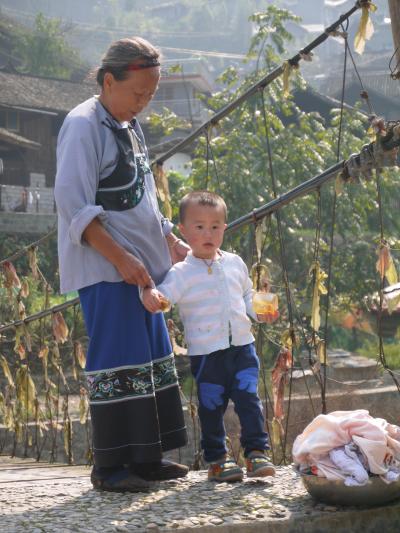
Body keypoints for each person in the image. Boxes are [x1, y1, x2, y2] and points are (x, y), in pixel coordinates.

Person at [54, 37, 189, 492]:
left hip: (141, 270)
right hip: (108, 270)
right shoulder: (83, 125)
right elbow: (74, 206)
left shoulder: (128, 126)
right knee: (117, 362)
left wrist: (168, 237)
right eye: (138, 94)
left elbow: (144, 196)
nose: (144, 103)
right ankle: (110, 468)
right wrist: (124, 260)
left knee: (149, 360)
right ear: (109, 81)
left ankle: (147, 459)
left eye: (150, 95)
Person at [142, 191, 276, 482]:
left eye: (215, 226)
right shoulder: (181, 273)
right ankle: (217, 459)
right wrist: (152, 295)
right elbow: (165, 297)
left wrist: (259, 311)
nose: (208, 233)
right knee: (211, 407)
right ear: (184, 231)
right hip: (207, 355)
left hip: (243, 348)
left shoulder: (236, 263)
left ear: (224, 229)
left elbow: (247, 297)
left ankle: (256, 453)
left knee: (249, 401)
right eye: (199, 227)